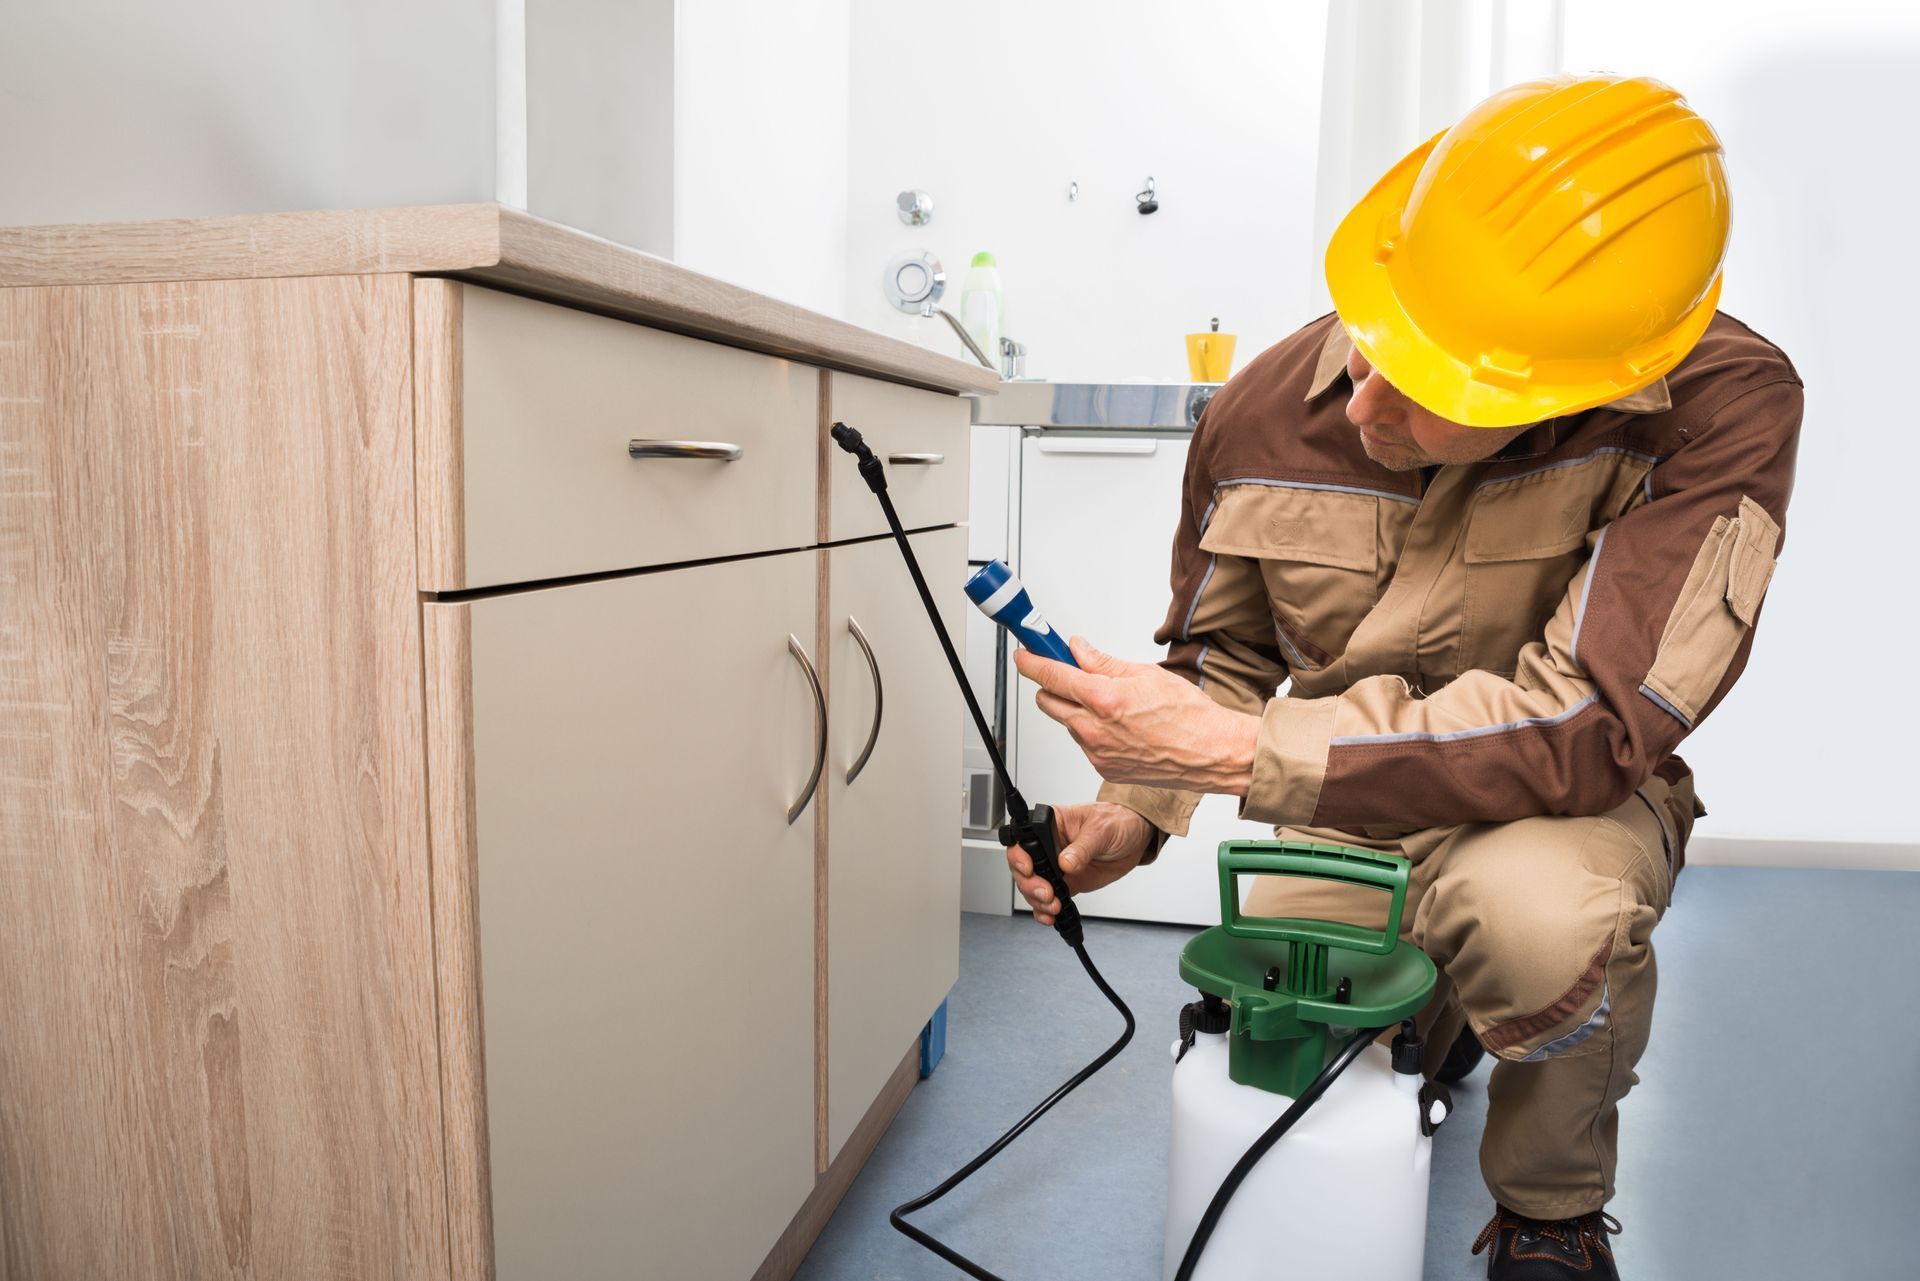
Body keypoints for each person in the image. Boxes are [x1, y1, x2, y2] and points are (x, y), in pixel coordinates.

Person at [1003, 75, 1801, 1280]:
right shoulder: (1265, 405)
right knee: (1286, 1010)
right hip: (1341, 809)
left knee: (1536, 925)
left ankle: (1550, 1213)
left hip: (1557, 806)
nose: (1363, 399)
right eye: (1374, 340)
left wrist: (1235, 759)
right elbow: (1230, 653)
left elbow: (1592, 719)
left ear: (1564, 390)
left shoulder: (1718, 411)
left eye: (1430, 393)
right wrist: (1135, 814)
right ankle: (1442, 1015)